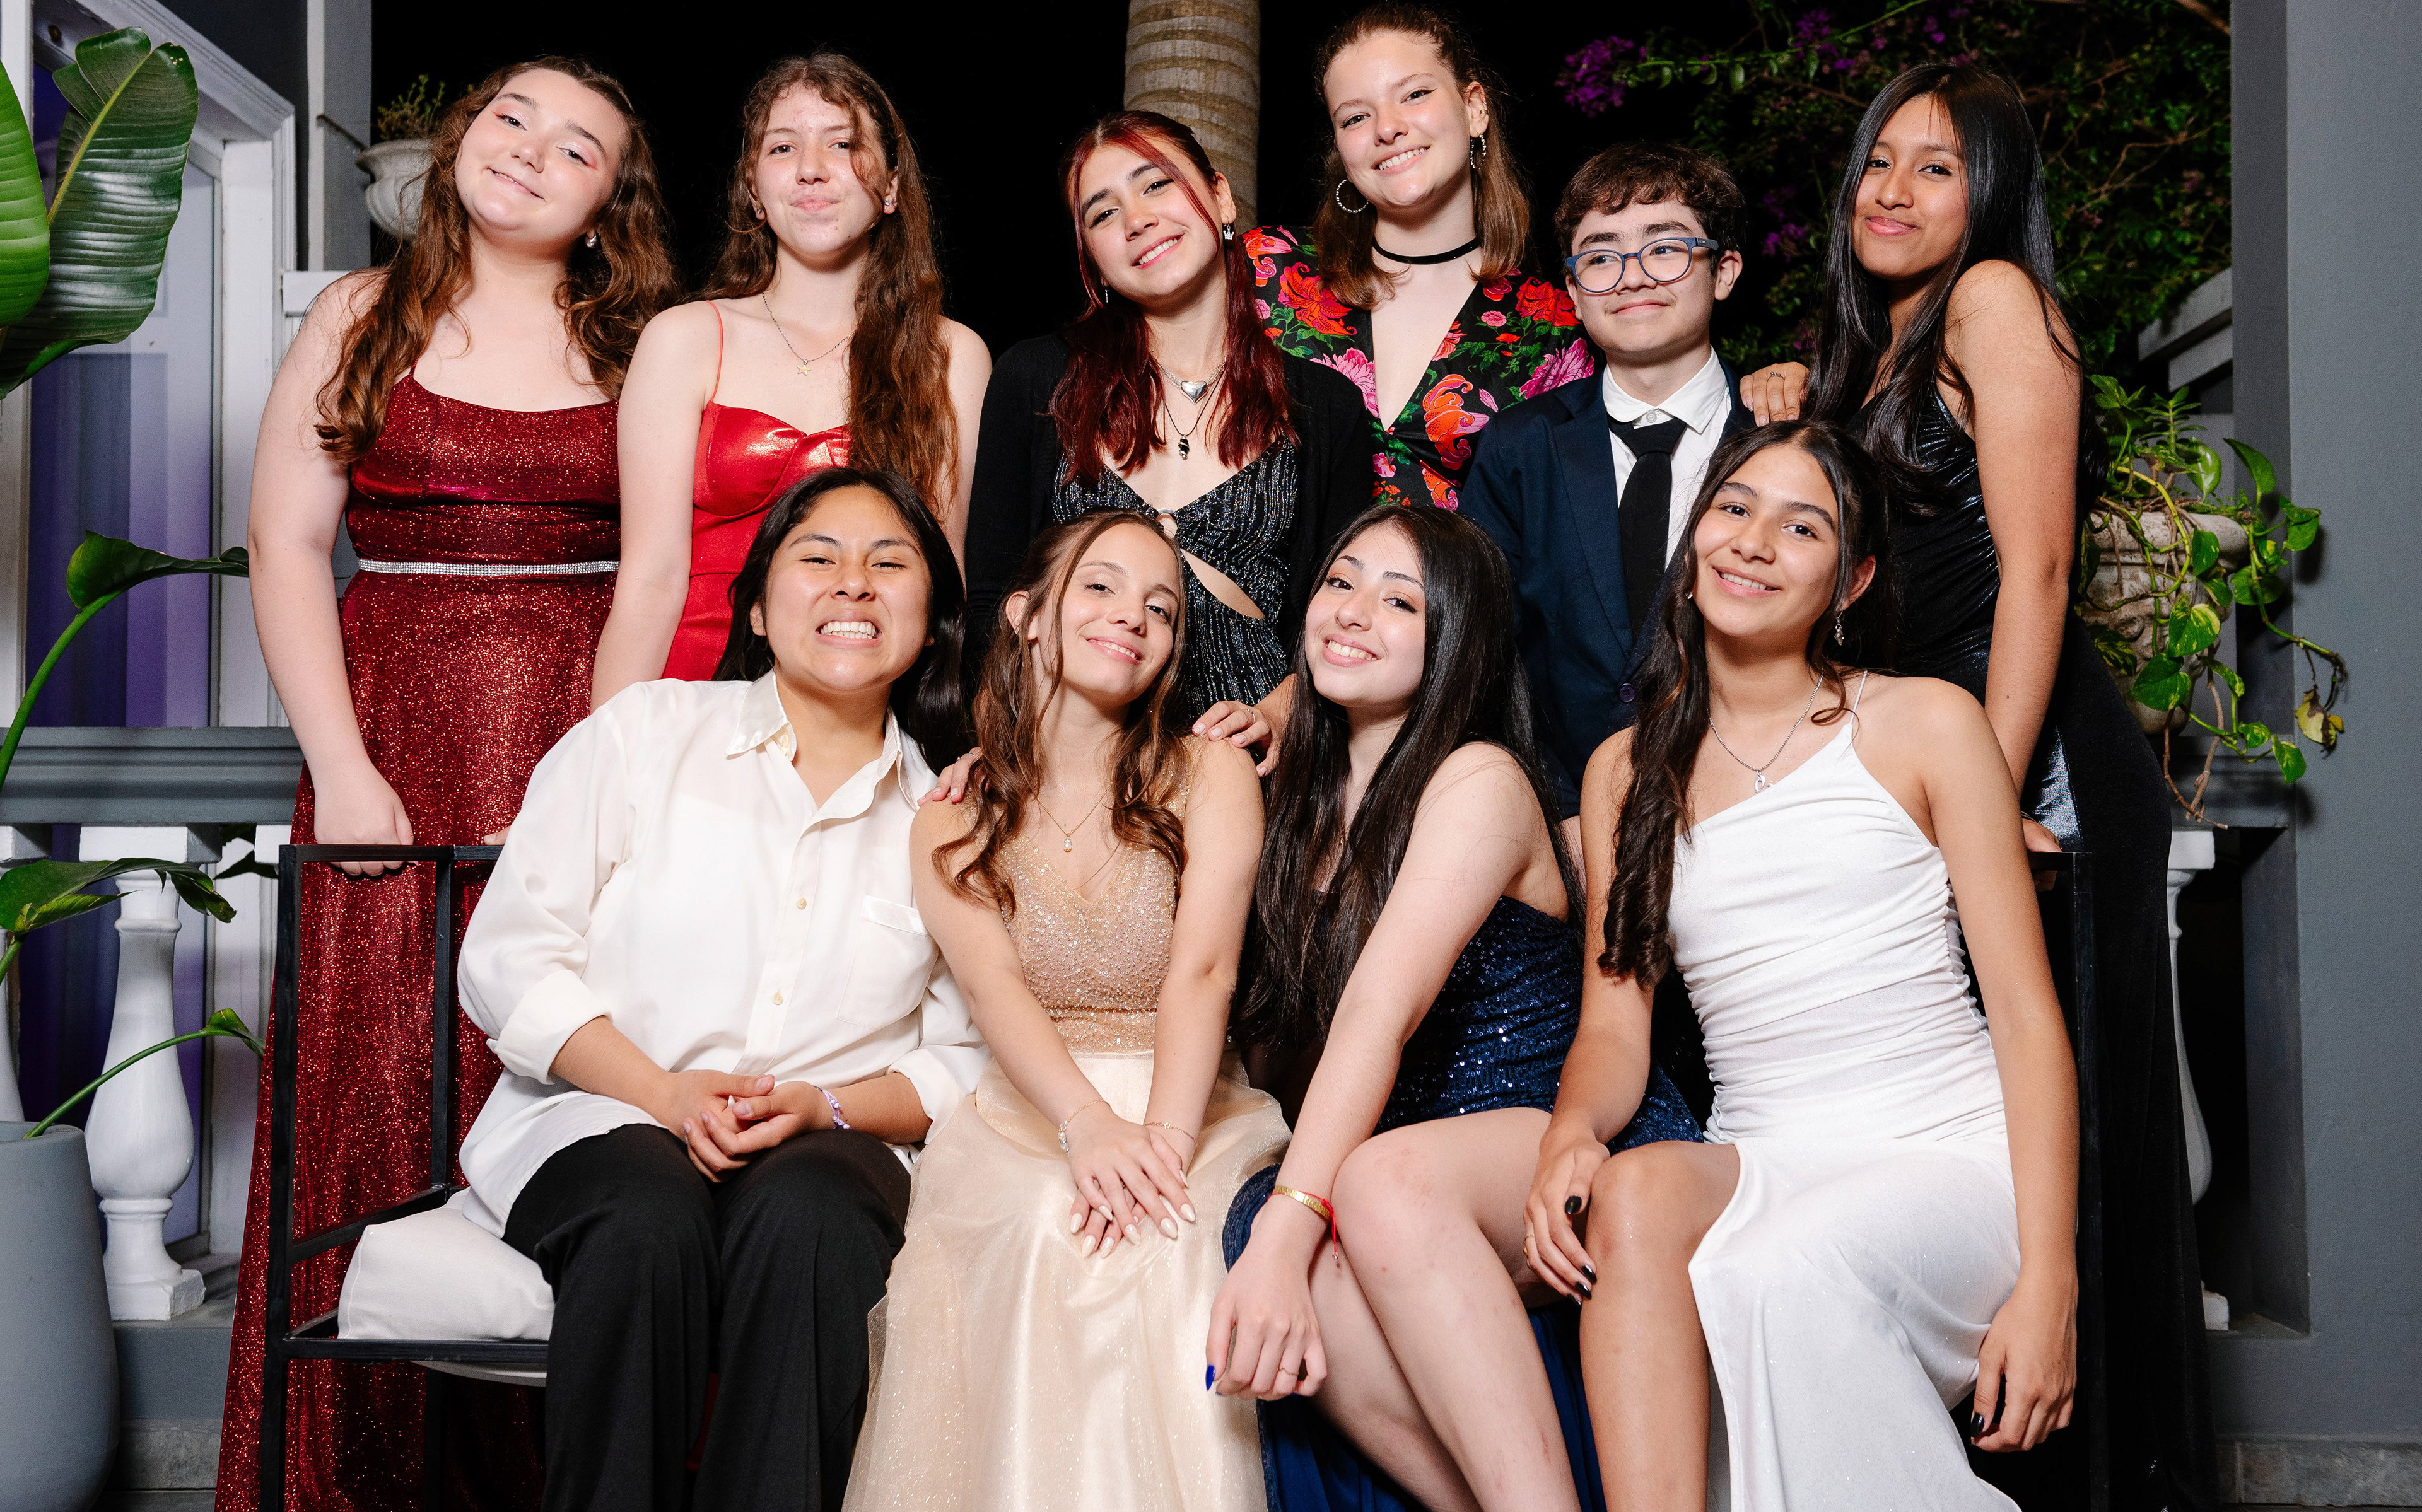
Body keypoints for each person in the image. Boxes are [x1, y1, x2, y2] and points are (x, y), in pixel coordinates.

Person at [221, 57, 678, 1512]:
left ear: (612, 203)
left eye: (578, 146)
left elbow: (664, 576)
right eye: (510, 118)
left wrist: (596, 800)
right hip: (388, 749)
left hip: (574, 744)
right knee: (373, 1090)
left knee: (551, 1080)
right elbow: (288, 543)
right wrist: (343, 770)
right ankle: (345, 1479)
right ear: (463, 138)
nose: (531, 152)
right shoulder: (360, 315)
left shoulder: (644, 348)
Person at [1526, 421, 2082, 1511]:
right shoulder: (1625, 772)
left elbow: (2026, 1017)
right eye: (1733, 508)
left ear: (1852, 579)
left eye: (1802, 526)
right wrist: (1570, 1132)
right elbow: (1614, 1026)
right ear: (1695, 536)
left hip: (1946, 1155)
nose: (1753, 541)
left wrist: (2052, 1281)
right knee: (1633, 1190)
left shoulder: (1926, 722)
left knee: (1775, 1267)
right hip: (1767, 1148)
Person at [1804, 62, 2213, 1511]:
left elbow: (2035, 572)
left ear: (1991, 194)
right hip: (1945, 757)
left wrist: (1978, 789)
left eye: (1937, 167)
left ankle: (2090, 1477)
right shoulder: (1872, 348)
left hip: (2031, 758)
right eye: (1879, 161)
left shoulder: (1992, 302)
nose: (1894, 191)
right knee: (1975, 1125)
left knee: (2062, 1136)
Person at [455, 468, 988, 1512]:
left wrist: (821, 1105)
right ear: (755, 607)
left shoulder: (945, 819)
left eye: (889, 564)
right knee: (645, 1215)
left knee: (818, 1214)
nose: (854, 583)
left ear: (931, 623)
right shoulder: (644, 732)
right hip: (603, 1114)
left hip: (827, 1139)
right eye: (818, 557)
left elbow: (962, 1056)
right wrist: (663, 1092)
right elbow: (509, 955)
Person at [1212, 504, 1699, 1511]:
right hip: (1416, 1162)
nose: (1354, 610)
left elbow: (1377, 1013)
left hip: (1557, 1132)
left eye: (1401, 602)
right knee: (1267, 1212)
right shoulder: (1301, 799)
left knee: (1357, 1190)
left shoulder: (1478, 776)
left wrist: (1293, 1226)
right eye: (1340, 581)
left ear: (1456, 640)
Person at [846, 510, 1288, 1510]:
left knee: (1174, 1237)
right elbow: (993, 988)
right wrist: (1086, 1125)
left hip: (1193, 1099)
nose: (1133, 615)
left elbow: (1204, 970)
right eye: (1100, 586)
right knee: (1049, 1225)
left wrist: (1162, 1148)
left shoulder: (1210, 771)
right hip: (1030, 1108)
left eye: (1161, 608)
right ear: (1028, 614)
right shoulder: (952, 814)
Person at [963, 109, 1370, 752]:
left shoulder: (1326, 407)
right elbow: (993, 603)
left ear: (1220, 196)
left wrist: (1279, 715)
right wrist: (999, 753)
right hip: (1068, 763)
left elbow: (1342, 615)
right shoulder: (1035, 381)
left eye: (1156, 184)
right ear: (1093, 259)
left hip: (1256, 769)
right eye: (1103, 213)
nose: (1137, 219)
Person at [593, 51, 989, 697]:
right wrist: (610, 743)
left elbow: (944, 586)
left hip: (867, 704)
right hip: (695, 699)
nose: (811, 168)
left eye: (843, 144)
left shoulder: (952, 354)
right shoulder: (685, 339)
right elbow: (649, 582)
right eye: (783, 147)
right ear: (755, 192)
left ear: (891, 187)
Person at [1462, 142, 1763, 836]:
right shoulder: (1520, 447)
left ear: (1724, 271)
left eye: (1666, 249)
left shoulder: (1783, 437)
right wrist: (1553, 817)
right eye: (1600, 258)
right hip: (1561, 825)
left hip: (1751, 817)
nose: (1632, 277)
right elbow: (1481, 652)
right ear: (1573, 291)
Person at [1249, 2, 1593, 510]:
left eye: (1414, 94)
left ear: (1474, 108)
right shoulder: (1269, 270)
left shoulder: (1553, 324)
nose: (1387, 129)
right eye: (1356, 117)